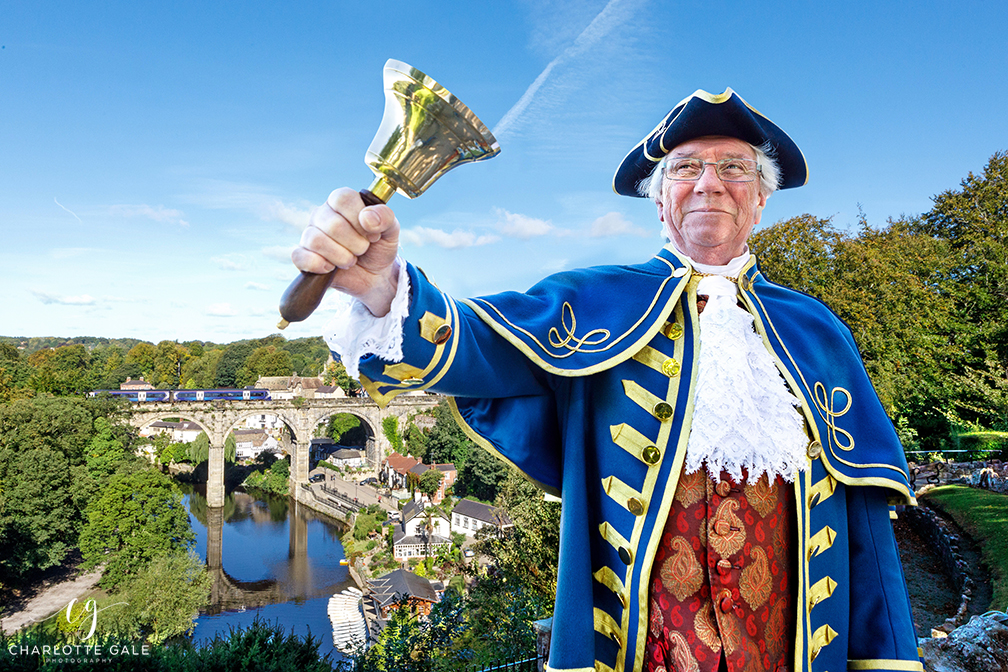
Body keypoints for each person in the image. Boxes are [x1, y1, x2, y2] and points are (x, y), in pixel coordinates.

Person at [292, 88, 923, 672]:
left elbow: (866, 521)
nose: (709, 183)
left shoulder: (816, 330)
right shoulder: (590, 300)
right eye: (685, 168)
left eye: (734, 168)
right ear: (659, 200)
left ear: (761, 198)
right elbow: (473, 343)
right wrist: (380, 284)